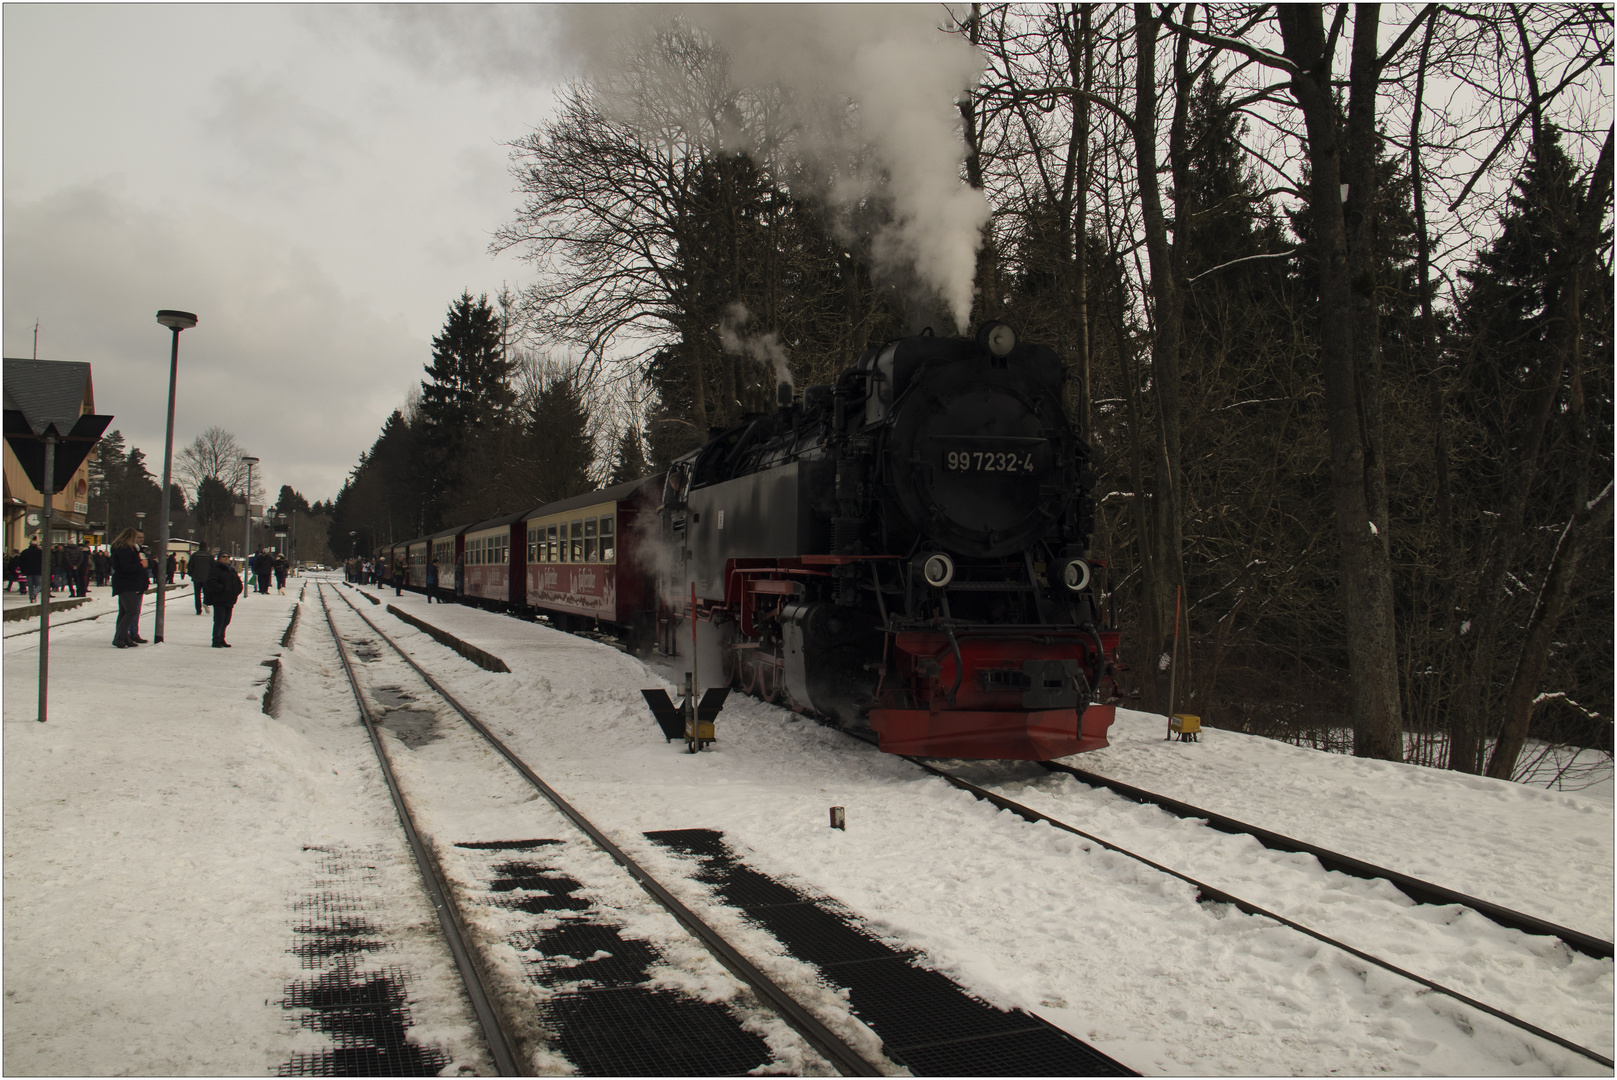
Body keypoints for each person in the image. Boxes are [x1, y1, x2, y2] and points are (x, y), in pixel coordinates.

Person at [110, 527, 149, 648]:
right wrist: (140, 564)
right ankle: (119, 637)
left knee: (124, 612)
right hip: (127, 584)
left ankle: (124, 637)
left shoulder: (120, 548)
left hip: (123, 583)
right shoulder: (125, 550)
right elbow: (126, 568)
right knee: (131, 611)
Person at [204, 553, 243, 647]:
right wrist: (221, 589)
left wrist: (235, 591)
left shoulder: (232, 571)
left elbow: (238, 583)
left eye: (228, 557)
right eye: (223, 556)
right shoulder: (215, 569)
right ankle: (216, 639)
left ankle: (221, 638)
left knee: (226, 620)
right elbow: (210, 582)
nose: (226, 559)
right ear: (219, 558)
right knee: (219, 620)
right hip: (219, 599)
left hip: (230, 599)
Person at [188, 547, 215, 615]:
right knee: (206, 592)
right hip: (206, 578)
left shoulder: (194, 555)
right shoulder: (209, 556)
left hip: (196, 577)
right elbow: (213, 566)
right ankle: (205, 603)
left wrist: (191, 574)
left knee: (197, 595)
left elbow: (190, 565)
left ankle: (198, 610)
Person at [18, 538, 43, 603]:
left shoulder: (24, 552)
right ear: (37, 545)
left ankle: (31, 598)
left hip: (28, 571)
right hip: (38, 571)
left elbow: (21, 562)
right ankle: (34, 594)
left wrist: (22, 571)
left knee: (30, 585)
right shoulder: (40, 552)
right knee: (39, 584)